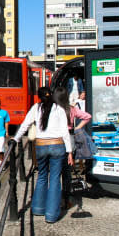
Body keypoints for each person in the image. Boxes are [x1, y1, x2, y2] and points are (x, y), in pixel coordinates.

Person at [13, 87, 73, 223]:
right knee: (55, 179)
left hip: (40, 146)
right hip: (57, 145)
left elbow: (25, 124)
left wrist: (16, 139)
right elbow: (65, 132)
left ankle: (38, 208)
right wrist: (69, 151)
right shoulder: (59, 109)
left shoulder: (36, 108)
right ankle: (51, 215)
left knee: (41, 176)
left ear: (39, 97)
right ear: (51, 95)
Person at [53, 87, 92, 208]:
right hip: (70, 140)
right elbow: (87, 116)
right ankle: (66, 199)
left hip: (56, 140)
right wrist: (78, 127)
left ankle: (54, 200)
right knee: (67, 173)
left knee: (55, 173)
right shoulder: (71, 109)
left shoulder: (53, 110)